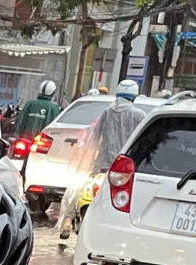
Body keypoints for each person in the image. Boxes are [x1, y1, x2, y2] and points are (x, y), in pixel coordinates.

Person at [58, 79, 145, 240]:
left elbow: (95, 139)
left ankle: (67, 220)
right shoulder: (138, 116)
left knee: (80, 191)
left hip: (101, 166)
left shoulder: (106, 113)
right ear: (134, 96)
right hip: (124, 170)